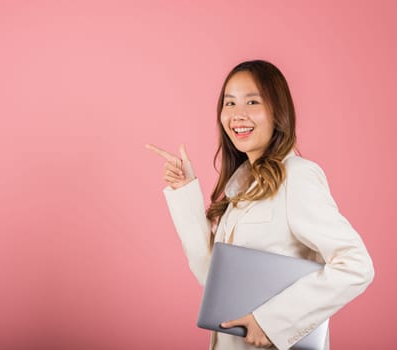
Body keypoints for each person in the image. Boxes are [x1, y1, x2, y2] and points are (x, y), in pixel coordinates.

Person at [146, 60, 374, 350]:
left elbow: (356, 265)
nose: (237, 115)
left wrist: (272, 322)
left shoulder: (298, 176)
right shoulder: (240, 188)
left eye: (252, 101)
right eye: (229, 103)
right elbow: (210, 276)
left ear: (278, 112)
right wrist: (185, 191)